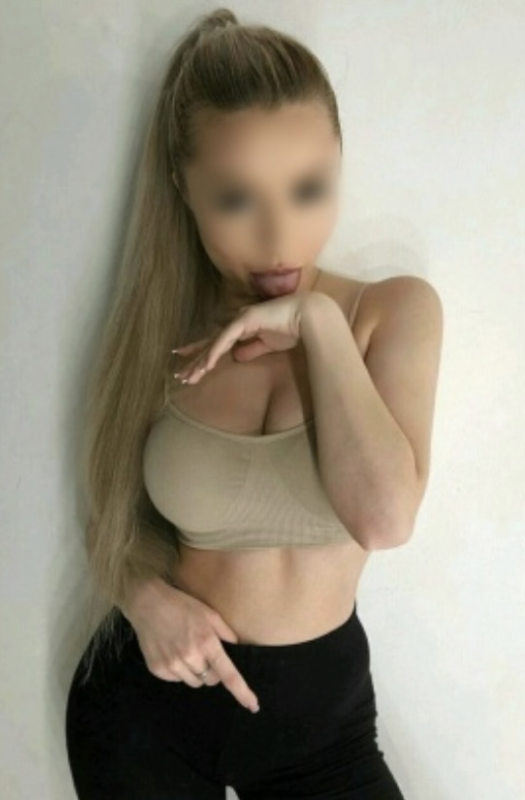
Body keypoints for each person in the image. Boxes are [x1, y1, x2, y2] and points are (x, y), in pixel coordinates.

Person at [65, 7, 443, 799]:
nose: (278, 237)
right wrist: (143, 602)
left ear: (338, 165)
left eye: (307, 190)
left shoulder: (391, 312)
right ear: (184, 188)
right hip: (146, 710)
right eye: (237, 199)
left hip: (319, 736)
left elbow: (383, 518)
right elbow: (108, 513)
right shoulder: (160, 333)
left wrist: (316, 322)